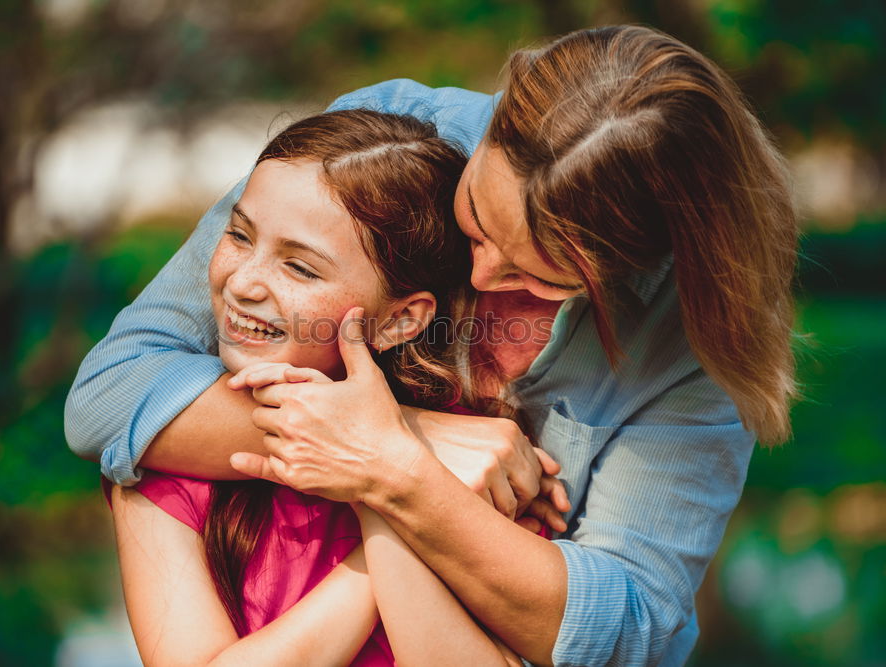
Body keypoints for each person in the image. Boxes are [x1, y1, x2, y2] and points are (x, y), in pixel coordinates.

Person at [66, 25, 798, 666]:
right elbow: (115, 391)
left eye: (539, 275)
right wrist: (400, 440)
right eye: (476, 219)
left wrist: (401, 482)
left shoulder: (690, 343)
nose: (480, 276)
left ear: (632, 262)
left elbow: (625, 627)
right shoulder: (387, 140)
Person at [108, 109, 559, 666]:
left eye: (300, 268)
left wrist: (386, 474)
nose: (244, 282)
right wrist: (377, 525)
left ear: (399, 321)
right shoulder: (170, 457)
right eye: (240, 235)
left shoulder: (476, 464)